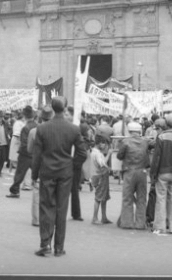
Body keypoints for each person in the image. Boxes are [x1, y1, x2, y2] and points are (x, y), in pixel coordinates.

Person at [31, 96, 87, 257]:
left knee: (46, 207)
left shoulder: (42, 128)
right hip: (65, 172)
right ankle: (59, 247)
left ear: (52, 108)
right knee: (61, 209)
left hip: (47, 171)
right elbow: (82, 153)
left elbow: (37, 155)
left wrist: (34, 174)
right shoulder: (73, 129)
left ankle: (45, 244)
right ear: (65, 107)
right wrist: (72, 165)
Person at [117, 121, 150, 230]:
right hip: (142, 172)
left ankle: (127, 222)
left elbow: (119, 156)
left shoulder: (126, 142)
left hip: (129, 171)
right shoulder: (145, 142)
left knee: (127, 198)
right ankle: (140, 223)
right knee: (141, 198)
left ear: (130, 131)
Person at [28, 106, 53, 227]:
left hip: (38, 164)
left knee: (37, 192)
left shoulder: (34, 131)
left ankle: (36, 219)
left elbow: (29, 149)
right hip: (52, 165)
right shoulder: (55, 131)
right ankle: (48, 217)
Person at [7, 106, 37, 198]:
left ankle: (15, 191)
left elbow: (24, 143)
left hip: (26, 154)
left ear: (25, 116)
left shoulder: (25, 128)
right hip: (36, 154)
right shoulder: (37, 126)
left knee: (19, 173)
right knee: (38, 173)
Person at [89, 139, 111, 225]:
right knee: (99, 197)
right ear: (99, 143)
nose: (105, 146)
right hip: (100, 176)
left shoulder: (95, 152)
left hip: (97, 175)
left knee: (103, 197)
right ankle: (95, 218)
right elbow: (102, 164)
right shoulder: (97, 153)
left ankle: (104, 217)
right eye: (104, 144)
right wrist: (109, 154)